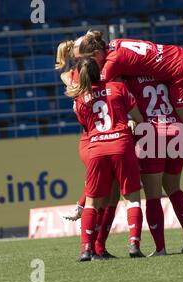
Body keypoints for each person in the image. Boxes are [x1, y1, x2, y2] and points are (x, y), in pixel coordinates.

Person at [74, 31, 183, 185]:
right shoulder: (114, 43)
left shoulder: (112, 62)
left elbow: (99, 89)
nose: (84, 65)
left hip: (179, 69)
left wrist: (74, 92)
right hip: (178, 57)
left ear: (97, 53)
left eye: (84, 60)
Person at [68, 56, 145, 261]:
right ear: (100, 70)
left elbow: (86, 126)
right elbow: (138, 118)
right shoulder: (118, 87)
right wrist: (129, 122)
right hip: (121, 145)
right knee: (132, 199)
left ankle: (86, 250)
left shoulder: (80, 99)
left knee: (92, 204)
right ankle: (134, 245)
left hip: (96, 150)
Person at [56, 42, 119, 259]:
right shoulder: (105, 81)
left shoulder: (75, 82)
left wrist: (65, 62)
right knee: (108, 196)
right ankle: (96, 247)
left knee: (100, 193)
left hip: (89, 141)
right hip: (102, 139)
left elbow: (65, 77)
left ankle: (91, 247)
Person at [125, 76, 183, 256]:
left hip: (152, 132)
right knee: (174, 188)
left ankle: (160, 248)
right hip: (175, 130)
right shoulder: (165, 75)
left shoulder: (130, 78)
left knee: (153, 196)